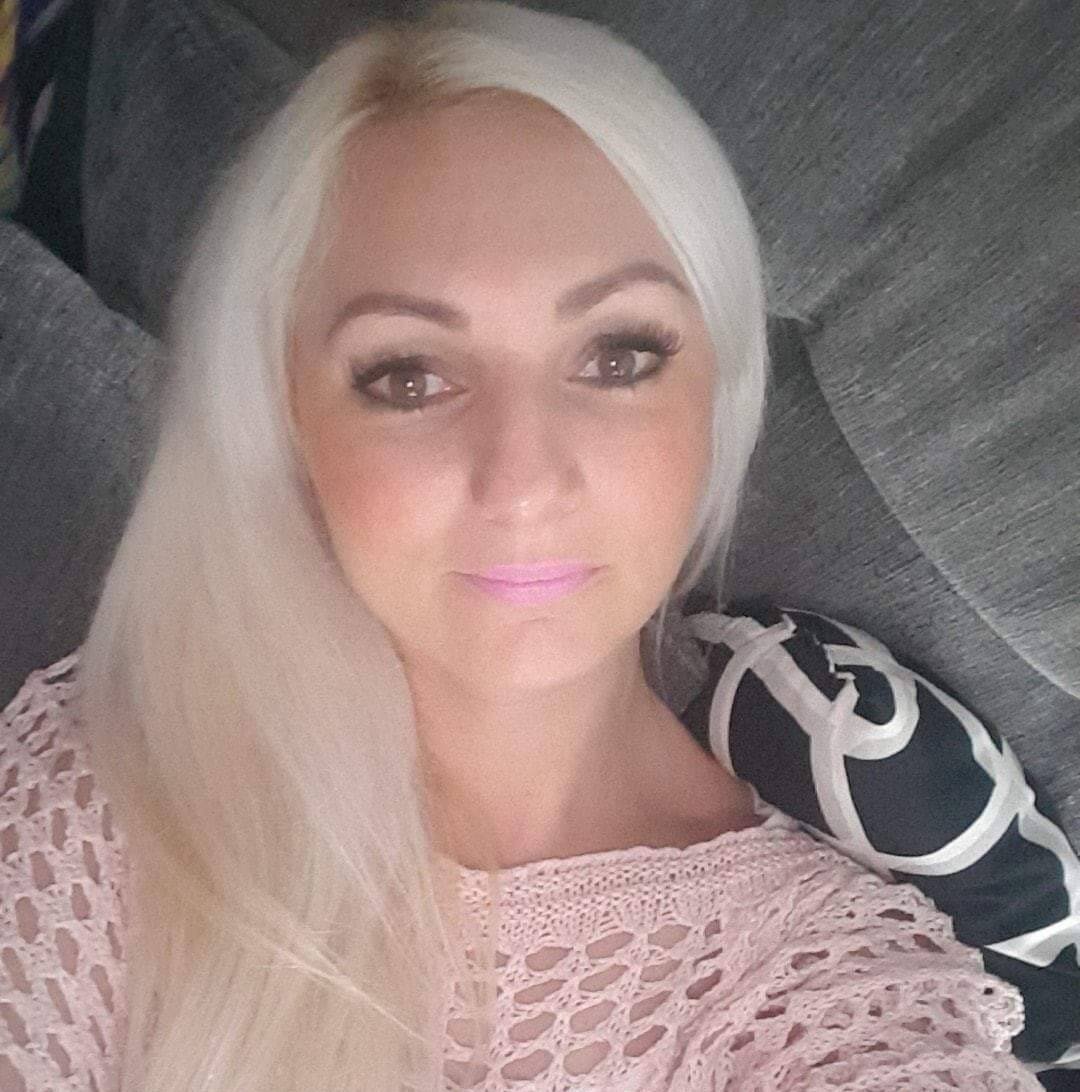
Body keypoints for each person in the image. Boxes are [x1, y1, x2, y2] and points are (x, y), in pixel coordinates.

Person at [0, 2, 1045, 1089]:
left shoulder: (830, 990)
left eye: (617, 357)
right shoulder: (115, 790)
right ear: (287, 427)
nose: (523, 481)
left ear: (717, 394)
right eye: (408, 376)